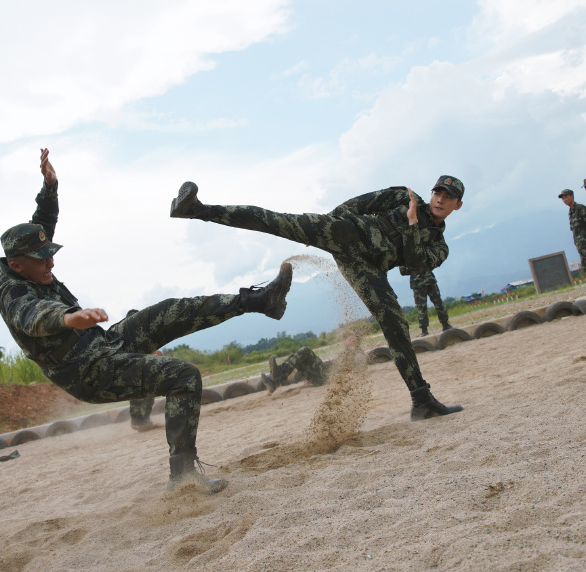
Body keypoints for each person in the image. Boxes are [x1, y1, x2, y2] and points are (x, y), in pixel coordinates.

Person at [0, 149, 293, 494]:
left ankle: (260, 301)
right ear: (17, 265)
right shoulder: (12, 293)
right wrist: (68, 317)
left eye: (51, 255)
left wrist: (50, 186)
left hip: (102, 344)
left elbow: (42, 225)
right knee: (184, 377)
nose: (50, 264)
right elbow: (33, 317)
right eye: (42, 260)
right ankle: (182, 477)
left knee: (167, 311)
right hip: (87, 372)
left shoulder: (28, 258)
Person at [170, 176, 464, 420]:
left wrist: (412, 225)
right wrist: (323, 226)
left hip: (367, 268)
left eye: (448, 196)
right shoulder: (404, 196)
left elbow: (413, 263)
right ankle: (197, 209)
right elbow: (359, 204)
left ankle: (422, 400)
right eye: (437, 191)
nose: (440, 198)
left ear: (457, 205)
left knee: (396, 324)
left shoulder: (440, 247)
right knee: (278, 221)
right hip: (350, 235)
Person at [263, 331, 368, 393]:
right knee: (294, 358)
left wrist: (341, 380)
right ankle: (275, 382)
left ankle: (279, 372)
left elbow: (361, 369)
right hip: (322, 376)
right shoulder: (349, 352)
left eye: (349, 338)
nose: (346, 340)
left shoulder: (357, 351)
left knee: (305, 350)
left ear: (355, 340)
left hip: (326, 373)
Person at [401, 268, 451, 336]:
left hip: (429, 280)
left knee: (438, 303)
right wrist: (415, 271)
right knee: (421, 307)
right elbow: (403, 271)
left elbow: (433, 260)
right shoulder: (403, 257)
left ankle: (445, 324)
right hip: (418, 283)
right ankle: (424, 330)